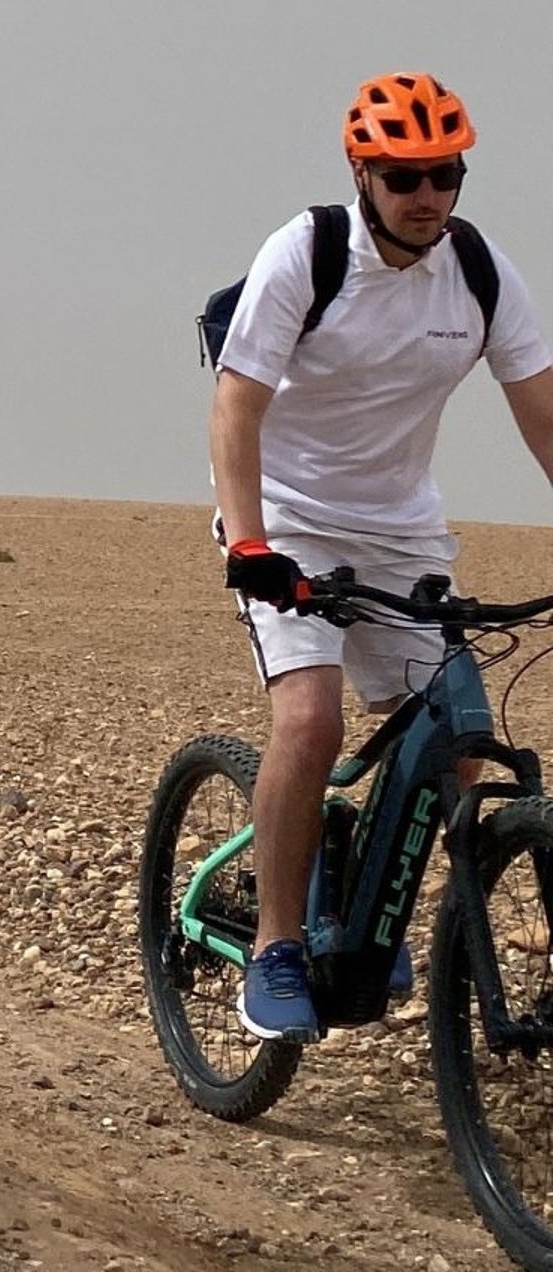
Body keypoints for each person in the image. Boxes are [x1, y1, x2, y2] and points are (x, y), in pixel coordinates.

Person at [210, 72, 553, 1042]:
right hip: (288, 518)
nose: (426, 194)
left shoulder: (479, 271)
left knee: (458, 742)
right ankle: (278, 946)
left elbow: (546, 420)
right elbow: (236, 404)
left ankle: (388, 914)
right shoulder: (308, 253)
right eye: (404, 175)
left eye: (445, 173)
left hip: (401, 533)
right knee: (311, 717)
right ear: (364, 171)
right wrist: (250, 543)